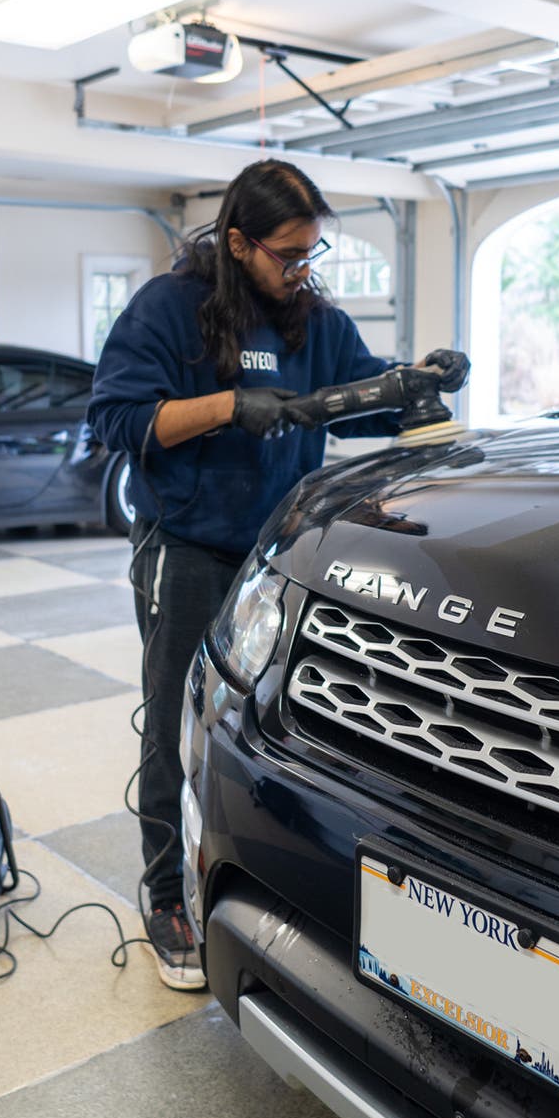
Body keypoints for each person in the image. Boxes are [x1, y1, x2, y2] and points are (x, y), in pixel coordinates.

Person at [87, 159, 469, 989]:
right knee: (175, 716)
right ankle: (165, 894)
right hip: (188, 547)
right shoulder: (170, 310)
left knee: (271, 723)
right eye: (286, 255)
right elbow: (116, 419)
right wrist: (229, 406)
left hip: (282, 554)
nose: (300, 271)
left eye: (311, 255)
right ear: (237, 241)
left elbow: (361, 396)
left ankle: (260, 870)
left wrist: (419, 382)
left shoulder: (315, 321)